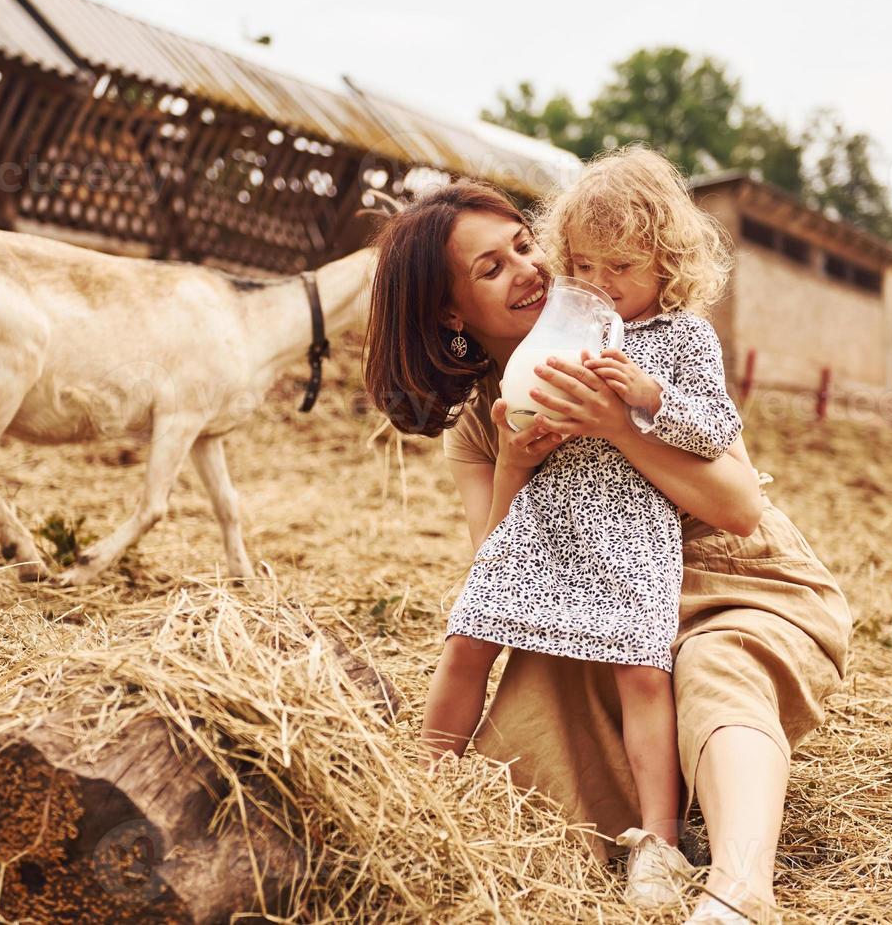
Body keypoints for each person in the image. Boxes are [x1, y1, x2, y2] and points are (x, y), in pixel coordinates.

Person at [362, 164, 851, 924]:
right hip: (591, 584)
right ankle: (425, 808)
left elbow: (739, 508)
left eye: (525, 246)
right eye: (492, 268)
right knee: (531, 739)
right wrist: (515, 462)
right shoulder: (477, 423)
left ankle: (740, 888)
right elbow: (499, 562)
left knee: (713, 668)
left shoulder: (643, 343)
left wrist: (622, 428)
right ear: (451, 312)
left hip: (733, 573)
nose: (530, 270)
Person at [417, 147, 745, 910]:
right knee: (468, 635)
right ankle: (420, 786)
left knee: (642, 670)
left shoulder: (683, 340)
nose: (596, 284)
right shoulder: (568, 315)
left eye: (620, 268)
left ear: (668, 264)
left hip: (630, 524)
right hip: (541, 515)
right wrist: (516, 444)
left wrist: (647, 396)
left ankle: (658, 844)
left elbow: (717, 429)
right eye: (584, 264)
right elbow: (529, 394)